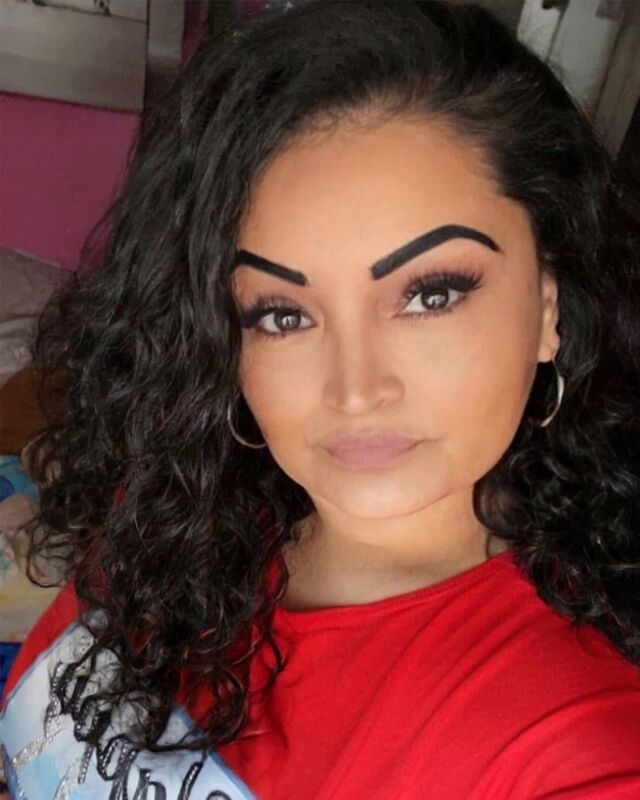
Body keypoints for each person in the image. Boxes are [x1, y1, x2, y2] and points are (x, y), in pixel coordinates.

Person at [1, 1, 640, 797]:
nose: (357, 389)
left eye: (432, 294)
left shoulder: (573, 744)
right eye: (283, 314)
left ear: (548, 307)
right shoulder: (179, 506)